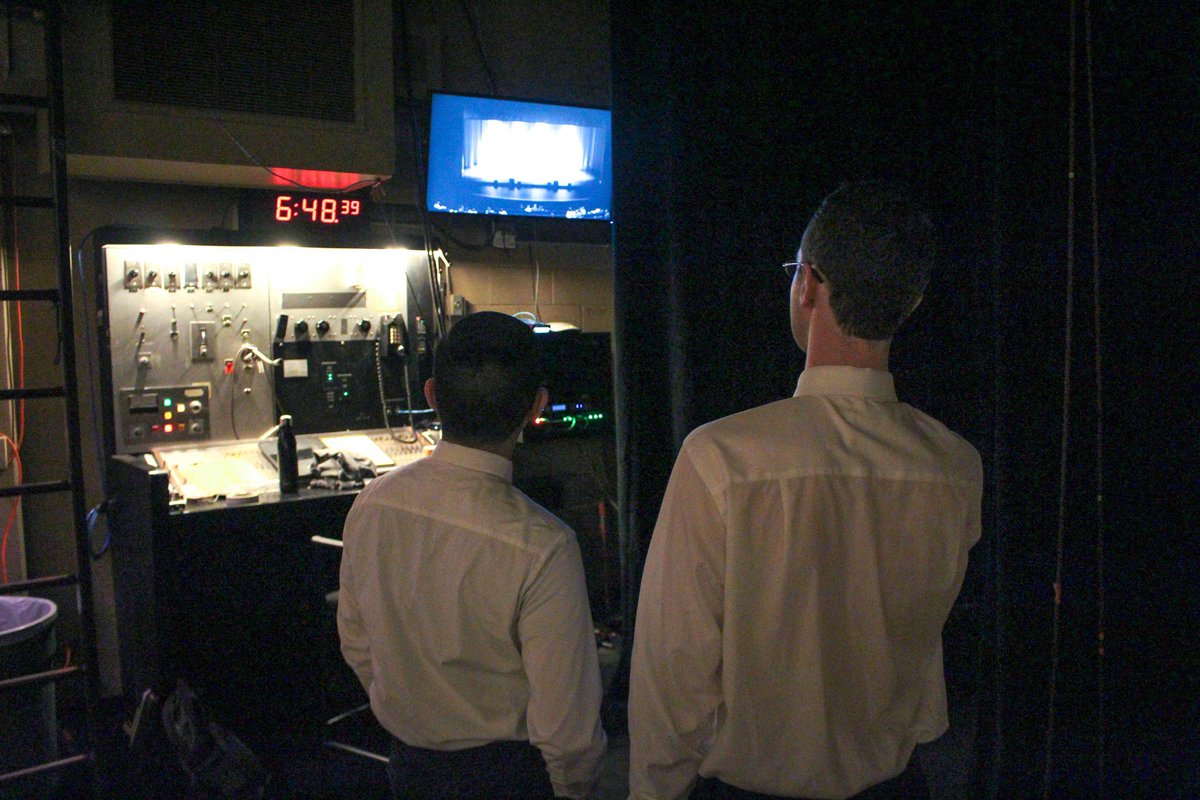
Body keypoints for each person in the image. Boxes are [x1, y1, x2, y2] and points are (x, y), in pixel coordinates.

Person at [628, 181, 983, 800]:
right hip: (898, 785)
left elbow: (673, 669)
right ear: (912, 300)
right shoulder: (956, 466)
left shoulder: (720, 459)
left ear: (808, 285)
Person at [337, 311, 607, 800]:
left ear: (432, 395)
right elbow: (567, 729)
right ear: (536, 407)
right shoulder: (545, 546)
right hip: (508, 775)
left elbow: (357, 643)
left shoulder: (372, 503)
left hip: (408, 766)